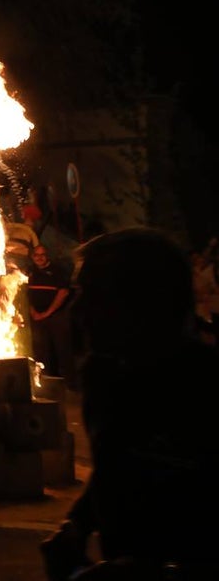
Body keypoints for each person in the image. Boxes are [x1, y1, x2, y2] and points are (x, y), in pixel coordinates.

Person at [40, 227, 219, 580]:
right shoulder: (103, 376)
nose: (78, 311)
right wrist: (78, 522)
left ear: (141, 301)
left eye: (93, 295)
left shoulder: (204, 387)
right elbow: (116, 462)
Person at [26, 244, 75, 387]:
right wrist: (33, 312)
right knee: (42, 352)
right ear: (32, 257)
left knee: (62, 350)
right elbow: (26, 293)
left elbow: (63, 293)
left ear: (47, 256)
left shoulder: (57, 271)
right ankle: (47, 383)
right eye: (36, 255)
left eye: (42, 255)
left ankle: (70, 385)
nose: (39, 258)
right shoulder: (30, 272)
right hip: (37, 317)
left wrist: (47, 313)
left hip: (56, 316)